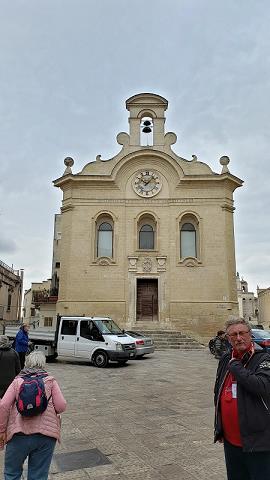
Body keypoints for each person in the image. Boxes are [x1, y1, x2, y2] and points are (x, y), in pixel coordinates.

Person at [214, 317, 270, 480]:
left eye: (242, 333)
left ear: (250, 335)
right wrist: (220, 427)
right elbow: (218, 390)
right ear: (228, 338)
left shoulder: (263, 359)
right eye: (233, 335)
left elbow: (263, 387)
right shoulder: (226, 358)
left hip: (258, 441)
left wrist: (236, 367)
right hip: (231, 441)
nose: (238, 338)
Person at [0, 351, 67, 480]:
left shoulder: (17, 382)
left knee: (11, 473)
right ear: (43, 364)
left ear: (26, 363)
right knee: (38, 475)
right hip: (46, 436)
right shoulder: (50, 381)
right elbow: (61, 406)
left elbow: (3, 405)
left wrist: (2, 430)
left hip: (18, 435)